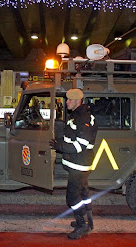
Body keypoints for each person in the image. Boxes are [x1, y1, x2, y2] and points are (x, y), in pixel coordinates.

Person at [49, 89, 98, 239]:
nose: (67, 102)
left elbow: (81, 144)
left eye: (70, 100)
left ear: (78, 101)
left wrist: (59, 147)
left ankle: (82, 225)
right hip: (77, 163)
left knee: (72, 197)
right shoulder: (76, 115)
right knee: (83, 194)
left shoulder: (83, 118)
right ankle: (88, 221)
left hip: (80, 164)